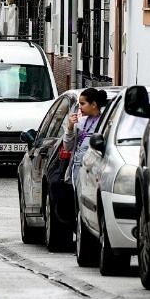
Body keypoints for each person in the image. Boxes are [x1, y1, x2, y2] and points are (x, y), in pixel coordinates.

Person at [53, 87, 107, 225]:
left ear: (94, 104)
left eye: (83, 104)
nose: (80, 107)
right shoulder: (81, 122)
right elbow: (68, 146)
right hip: (76, 169)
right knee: (77, 203)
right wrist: (70, 127)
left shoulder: (104, 124)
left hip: (93, 170)